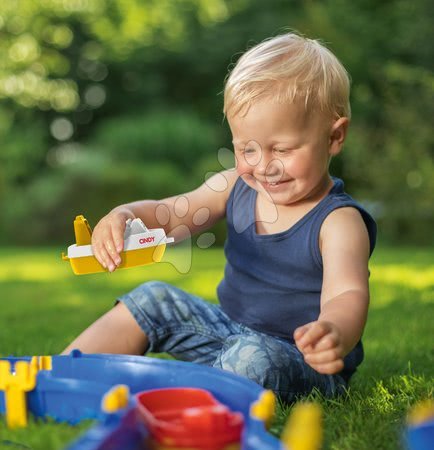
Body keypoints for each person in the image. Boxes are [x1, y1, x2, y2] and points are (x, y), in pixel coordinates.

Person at [63, 32, 377, 403]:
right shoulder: (235, 186)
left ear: (334, 137)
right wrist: (125, 215)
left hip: (297, 359)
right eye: (247, 149)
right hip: (226, 331)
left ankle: (179, 408)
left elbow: (347, 293)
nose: (264, 166)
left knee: (252, 358)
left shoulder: (337, 221)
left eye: (282, 148)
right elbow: (170, 214)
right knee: (152, 298)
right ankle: (62, 376)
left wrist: (333, 332)